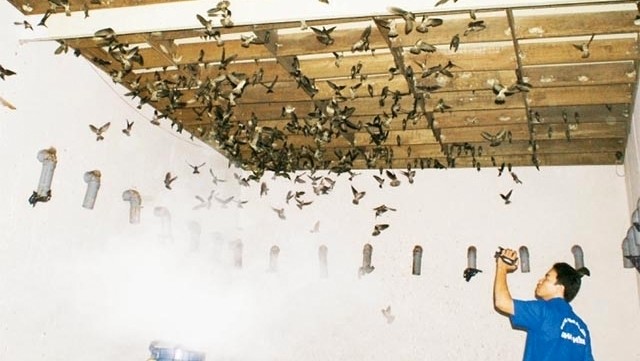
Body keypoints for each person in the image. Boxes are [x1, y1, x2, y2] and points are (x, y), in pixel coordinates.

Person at [493, 248, 594, 361]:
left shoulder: (544, 311)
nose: (540, 280)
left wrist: (502, 267)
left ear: (560, 287)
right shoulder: (581, 329)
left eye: (547, 277)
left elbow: (502, 302)